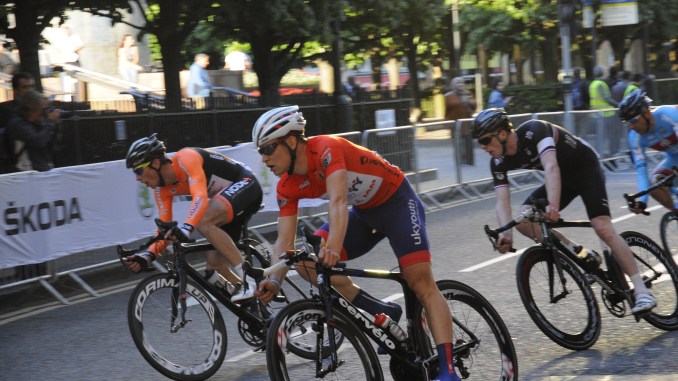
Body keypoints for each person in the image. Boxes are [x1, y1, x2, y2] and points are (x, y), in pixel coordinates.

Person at [252, 106, 460, 381]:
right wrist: (275, 280)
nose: (264, 159)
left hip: (398, 202)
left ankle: (447, 368)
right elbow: (284, 239)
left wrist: (333, 248)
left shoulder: (326, 149)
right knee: (305, 264)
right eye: (260, 152)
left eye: (268, 148)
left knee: (420, 282)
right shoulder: (286, 185)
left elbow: (337, 201)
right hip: (363, 213)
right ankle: (382, 311)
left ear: (291, 141)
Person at [471, 108, 656, 314]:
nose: (483, 147)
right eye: (480, 142)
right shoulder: (497, 161)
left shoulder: (535, 130)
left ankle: (641, 291)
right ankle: (578, 251)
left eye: (486, 140)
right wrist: (506, 234)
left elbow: (551, 167)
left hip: (586, 169)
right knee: (523, 220)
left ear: (502, 134)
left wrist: (553, 205)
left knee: (602, 227)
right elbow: (502, 202)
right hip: (564, 180)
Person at [123, 133, 263, 302]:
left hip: (246, 183)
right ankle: (258, 304)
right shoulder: (161, 190)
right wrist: (147, 255)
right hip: (226, 202)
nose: (137, 178)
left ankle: (250, 280)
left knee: (204, 221)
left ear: (155, 163)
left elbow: (200, 197)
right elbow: (165, 229)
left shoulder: (186, 158)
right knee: (214, 267)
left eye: (138, 170)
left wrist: (187, 228)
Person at [619, 90, 678, 215]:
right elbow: (642, 172)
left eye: (633, 121)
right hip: (673, 158)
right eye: (627, 123)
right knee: (654, 184)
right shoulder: (635, 138)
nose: (631, 127)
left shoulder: (668, 114)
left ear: (646, 113)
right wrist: (642, 201)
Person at [6, 91, 61, 172]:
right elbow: (37, 141)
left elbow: (52, 145)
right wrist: (50, 123)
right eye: (43, 109)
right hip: (26, 172)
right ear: (32, 109)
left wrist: (55, 125)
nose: (45, 112)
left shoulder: (38, 122)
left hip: (43, 169)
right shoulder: (18, 124)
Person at [0, 72, 36, 173]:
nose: (30, 90)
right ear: (15, 90)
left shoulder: (40, 109)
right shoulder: (5, 110)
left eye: (32, 86)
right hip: (13, 164)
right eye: (25, 87)